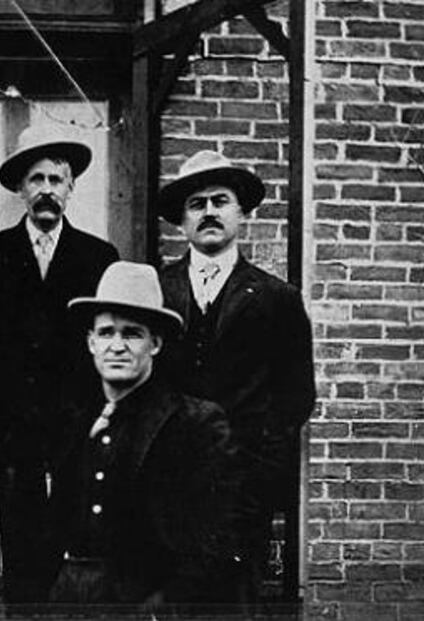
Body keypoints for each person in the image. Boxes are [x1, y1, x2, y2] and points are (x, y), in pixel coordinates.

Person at [0, 126, 119, 603]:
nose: (46, 189)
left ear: (71, 188)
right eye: (36, 179)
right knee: (20, 543)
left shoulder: (99, 257)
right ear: (20, 188)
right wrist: (1, 399)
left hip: (76, 427)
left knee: (68, 539)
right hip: (10, 429)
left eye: (56, 179)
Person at [155, 150, 316, 601]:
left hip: (242, 491)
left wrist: (258, 475)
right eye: (196, 204)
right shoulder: (156, 289)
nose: (208, 212)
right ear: (181, 220)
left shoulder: (277, 298)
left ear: (241, 212)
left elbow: (295, 398)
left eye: (220, 201)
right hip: (166, 485)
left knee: (234, 601)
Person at [47, 261, 241, 612]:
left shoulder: (194, 424)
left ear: (155, 343)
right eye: (106, 333)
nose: (117, 346)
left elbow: (211, 545)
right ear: (90, 343)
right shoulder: (77, 421)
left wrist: (159, 611)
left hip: (149, 603)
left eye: (132, 334)